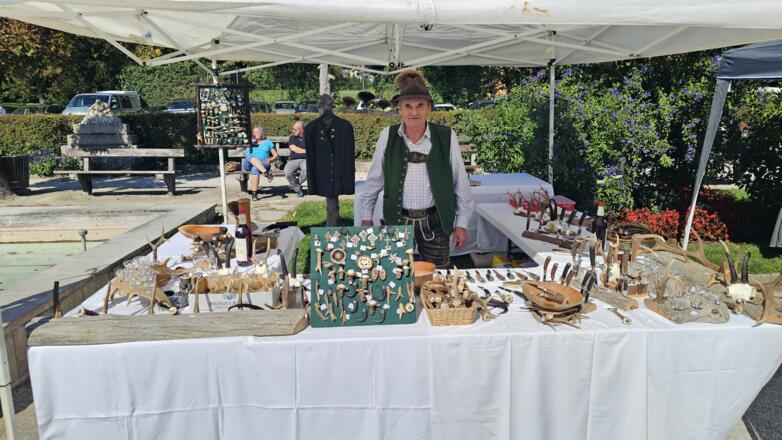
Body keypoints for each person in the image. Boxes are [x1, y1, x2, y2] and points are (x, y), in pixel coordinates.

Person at [360, 69, 474, 267]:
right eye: (408, 106)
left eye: (420, 105)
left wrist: (461, 224)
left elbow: (460, 182)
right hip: (396, 221)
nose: (414, 112)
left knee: (437, 278)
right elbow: (374, 180)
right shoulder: (387, 135)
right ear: (399, 109)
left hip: (435, 223)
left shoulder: (446, 136)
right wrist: (366, 218)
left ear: (429, 108)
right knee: (395, 277)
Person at [243, 125, 278, 200]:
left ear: (262, 133)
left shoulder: (268, 142)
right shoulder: (251, 142)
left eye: (257, 132)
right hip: (248, 164)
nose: (254, 134)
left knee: (255, 168)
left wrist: (271, 160)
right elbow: (246, 153)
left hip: (263, 163)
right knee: (249, 155)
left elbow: (275, 155)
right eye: (254, 132)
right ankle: (266, 173)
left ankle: (254, 194)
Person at [284, 120, 307, 197]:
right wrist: (306, 151)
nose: (293, 131)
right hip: (294, 160)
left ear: (301, 129)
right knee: (287, 171)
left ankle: (296, 185)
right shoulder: (292, 138)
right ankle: (297, 187)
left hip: (306, 160)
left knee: (307, 169)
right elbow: (294, 149)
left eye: (295, 129)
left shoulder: (308, 137)